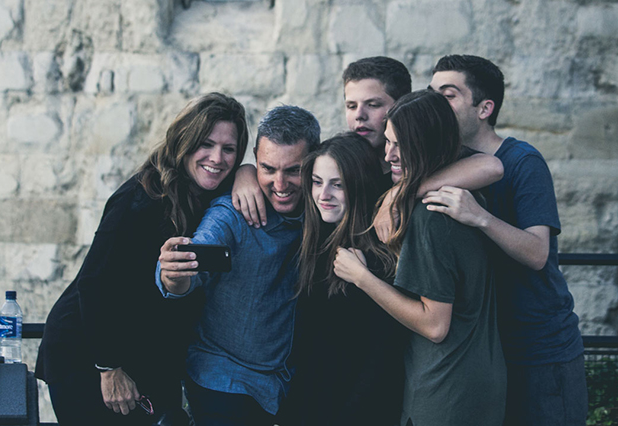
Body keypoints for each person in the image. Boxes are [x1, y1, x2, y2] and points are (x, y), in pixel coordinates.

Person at [35, 93, 249, 425]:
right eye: (206, 144)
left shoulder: (208, 195)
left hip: (145, 356)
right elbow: (94, 282)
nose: (217, 158)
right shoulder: (142, 197)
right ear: (184, 143)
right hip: (89, 356)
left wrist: (247, 172)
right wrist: (109, 368)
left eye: (229, 149)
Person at [422, 54, 587, 426]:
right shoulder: (444, 164)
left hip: (539, 350)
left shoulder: (523, 161)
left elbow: (537, 253)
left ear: (485, 107)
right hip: (482, 354)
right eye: (431, 94)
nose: (435, 104)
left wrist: (480, 217)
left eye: (448, 95)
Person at [334, 90, 507, 426]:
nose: (389, 154)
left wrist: (361, 277)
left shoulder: (431, 217)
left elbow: (435, 324)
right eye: (387, 142)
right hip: (471, 381)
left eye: (400, 144)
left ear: (427, 144)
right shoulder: (460, 194)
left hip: (446, 390)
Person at [156, 105, 320, 426]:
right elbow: (193, 265)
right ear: (256, 158)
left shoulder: (323, 204)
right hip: (224, 380)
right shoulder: (231, 213)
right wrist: (174, 276)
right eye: (268, 168)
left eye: (293, 170)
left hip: (289, 387)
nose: (280, 183)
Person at [232, 56, 504, 229]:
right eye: (351, 105)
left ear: (400, 107)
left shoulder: (417, 160)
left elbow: (490, 166)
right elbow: (289, 165)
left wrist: (402, 192)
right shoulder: (341, 154)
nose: (359, 116)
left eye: (373, 105)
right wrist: (245, 173)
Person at [280, 133, 405, 426]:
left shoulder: (377, 258)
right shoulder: (315, 240)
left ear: (359, 186)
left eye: (337, 184)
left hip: (357, 412)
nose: (324, 195)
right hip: (308, 405)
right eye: (317, 182)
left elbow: (381, 360)